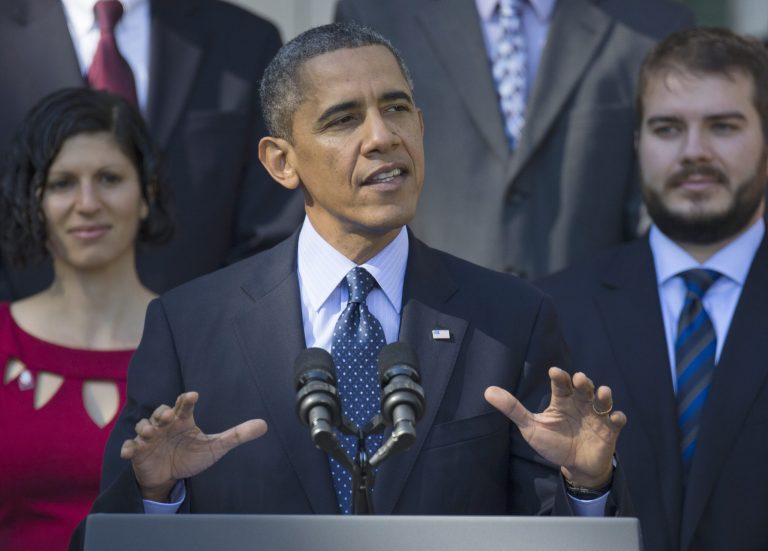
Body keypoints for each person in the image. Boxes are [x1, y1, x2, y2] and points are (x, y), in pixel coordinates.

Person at [72, 24, 632, 547]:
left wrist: (586, 486)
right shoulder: (189, 326)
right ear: (281, 162)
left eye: (396, 109)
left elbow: (547, 534)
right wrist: (157, 496)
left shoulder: (511, 320)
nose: (382, 137)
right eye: (343, 119)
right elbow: (108, 533)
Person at [537, 27, 768, 551]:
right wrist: (586, 491)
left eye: (723, 126)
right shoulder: (556, 312)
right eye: (667, 128)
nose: (694, 152)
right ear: (639, 142)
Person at [335, 0, 693, 278]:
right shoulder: (375, 12)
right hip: (425, 334)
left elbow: (658, 207)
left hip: (591, 339)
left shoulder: (652, 26)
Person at [0, 0, 303, 299]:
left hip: (203, 331)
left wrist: (217, 328)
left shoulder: (244, 40)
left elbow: (272, 226)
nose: (89, 204)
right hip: (20, 334)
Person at [0, 88, 172, 550]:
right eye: (62, 184)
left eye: (109, 178)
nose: (88, 202)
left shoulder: (198, 336)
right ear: (34, 202)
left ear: (145, 193)